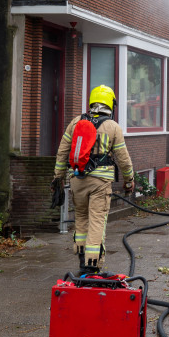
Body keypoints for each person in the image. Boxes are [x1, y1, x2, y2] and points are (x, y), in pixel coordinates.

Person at [53, 85, 135, 274]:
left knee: (81, 217)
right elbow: (123, 158)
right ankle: (92, 265)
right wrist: (129, 179)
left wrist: (57, 178)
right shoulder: (112, 127)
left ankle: (82, 258)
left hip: (77, 179)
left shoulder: (75, 122)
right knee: (97, 220)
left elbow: (62, 152)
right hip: (100, 183)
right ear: (110, 104)